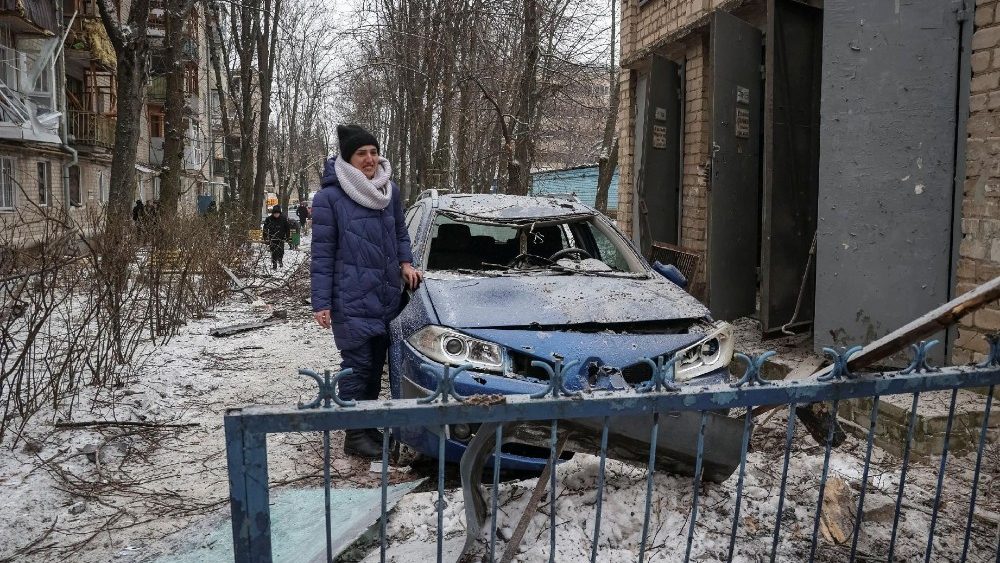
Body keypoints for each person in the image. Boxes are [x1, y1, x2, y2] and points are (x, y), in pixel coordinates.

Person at [311, 124, 422, 458]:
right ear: (348, 158)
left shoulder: (389, 192)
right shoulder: (329, 198)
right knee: (358, 364)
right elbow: (322, 254)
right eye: (362, 153)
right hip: (350, 296)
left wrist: (406, 263)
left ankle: (367, 426)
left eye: (373, 152)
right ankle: (355, 434)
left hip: (386, 295)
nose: (370, 159)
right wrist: (321, 302)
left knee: (375, 366)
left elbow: (400, 232)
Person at [262, 205, 290, 270]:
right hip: (272, 238)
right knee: (274, 251)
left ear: (279, 213)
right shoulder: (269, 219)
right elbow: (265, 228)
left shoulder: (283, 219)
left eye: (277, 213)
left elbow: (287, 228)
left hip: (281, 238)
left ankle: (280, 260)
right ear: (273, 213)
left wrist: (287, 236)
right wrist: (265, 236)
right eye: (275, 213)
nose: (276, 215)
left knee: (281, 251)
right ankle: (274, 264)